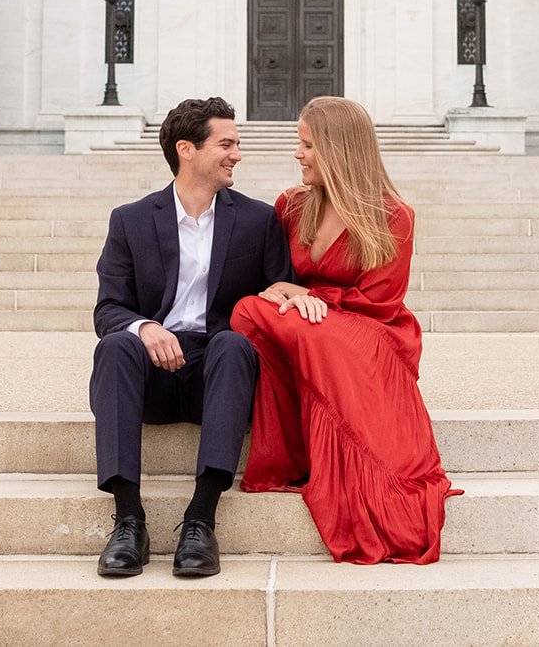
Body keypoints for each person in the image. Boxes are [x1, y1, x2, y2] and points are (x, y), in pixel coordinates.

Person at [231, 95, 460, 564]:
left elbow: (380, 299)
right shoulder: (292, 207)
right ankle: (295, 451)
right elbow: (276, 278)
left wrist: (312, 299)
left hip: (371, 331)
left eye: (308, 145)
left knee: (299, 327)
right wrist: (285, 291)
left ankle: (369, 476)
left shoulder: (393, 216)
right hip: (306, 324)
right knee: (247, 314)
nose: (298, 154)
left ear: (339, 151)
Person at [90, 97, 294, 578]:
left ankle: (201, 520)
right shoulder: (131, 220)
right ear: (187, 149)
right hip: (151, 377)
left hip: (218, 378)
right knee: (116, 343)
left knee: (233, 343)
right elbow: (108, 309)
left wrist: (290, 293)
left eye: (237, 144)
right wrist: (146, 327)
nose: (237, 154)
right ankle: (128, 521)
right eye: (226, 144)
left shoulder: (258, 220)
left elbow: (278, 293)